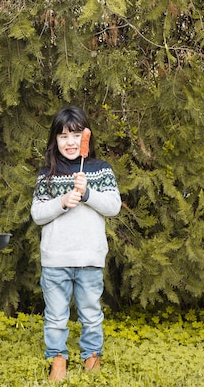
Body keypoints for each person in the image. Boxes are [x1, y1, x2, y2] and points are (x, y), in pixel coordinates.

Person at [30, 105, 121, 382]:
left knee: (91, 314)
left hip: (89, 259)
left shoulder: (100, 170)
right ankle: (58, 359)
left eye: (75, 135)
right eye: (63, 136)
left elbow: (113, 206)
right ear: (54, 140)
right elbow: (37, 214)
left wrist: (87, 194)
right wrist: (62, 202)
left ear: (86, 138)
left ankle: (92, 356)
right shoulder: (47, 174)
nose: (70, 142)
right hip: (56, 259)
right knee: (55, 316)